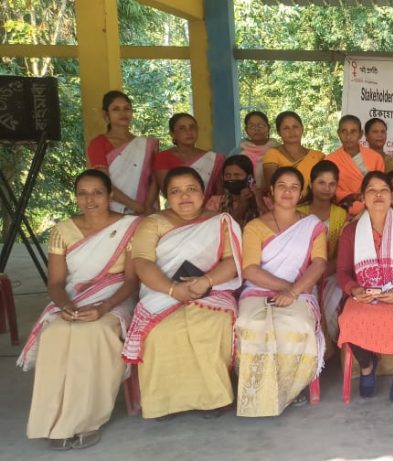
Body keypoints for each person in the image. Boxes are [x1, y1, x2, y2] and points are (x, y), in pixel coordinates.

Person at [19, 170, 141, 450]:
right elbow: (56, 283)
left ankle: (87, 421)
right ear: (76, 197)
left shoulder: (130, 227)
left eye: (97, 192)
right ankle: (49, 421)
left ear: (110, 195)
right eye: (83, 193)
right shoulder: (63, 230)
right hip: (74, 300)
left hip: (115, 299)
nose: (90, 200)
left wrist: (104, 307)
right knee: (55, 335)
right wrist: (67, 307)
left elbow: (132, 280)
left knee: (94, 334)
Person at [123, 166, 243, 419]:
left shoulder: (220, 221)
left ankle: (214, 398)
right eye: (175, 191)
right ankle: (164, 402)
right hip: (161, 292)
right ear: (167, 196)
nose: (184, 196)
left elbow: (232, 262)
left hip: (212, 290)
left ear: (203, 193)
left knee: (210, 325)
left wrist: (206, 281)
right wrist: (172, 289)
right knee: (162, 332)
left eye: (191, 189)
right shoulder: (152, 223)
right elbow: (142, 262)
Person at [236, 167, 326, 417]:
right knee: (249, 325)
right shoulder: (254, 227)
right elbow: (250, 269)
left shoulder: (312, 226)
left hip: (300, 293)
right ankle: (256, 394)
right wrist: (285, 288)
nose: (288, 192)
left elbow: (319, 264)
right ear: (272, 191)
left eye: (294, 187)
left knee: (296, 327)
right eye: (282, 186)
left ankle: (289, 390)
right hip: (258, 291)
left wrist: (294, 292)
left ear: (302, 193)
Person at [337, 172, 393, 401]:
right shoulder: (351, 231)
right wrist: (354, 290)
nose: (378, 195)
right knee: (347, 318)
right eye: (372, 191)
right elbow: (343, 271)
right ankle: (367, 365)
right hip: (364, 295)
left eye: (384, 190)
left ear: (391, 196)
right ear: (363, 198)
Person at [297, 161, 349, 347]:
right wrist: (310, 276)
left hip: (331, 272)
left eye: (332, 184)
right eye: (321, 183)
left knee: (334, 294)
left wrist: (322, 274)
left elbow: (341, 254)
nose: (327, 188)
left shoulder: (341, 214)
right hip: (301, 273)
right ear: (311, 184)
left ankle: (326, 348)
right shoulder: (297, 211)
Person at [85, 90, 158, 215]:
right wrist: (134, 205)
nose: (123, 113)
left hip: (146, 211)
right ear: (106, 115)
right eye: (116, 109)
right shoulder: (98, 143)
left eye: (127, 108)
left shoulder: (147, 144)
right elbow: (103, 183)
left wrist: (147, 206)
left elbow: (155, 179)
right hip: (113, 212)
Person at [154, 113, 225, 201]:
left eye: (192, 127)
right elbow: (167, 191)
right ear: (172, 134)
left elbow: (219, 192)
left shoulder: (212, 158)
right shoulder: (163, 157)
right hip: (178, 209)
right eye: (182, 128)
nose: (189, 132)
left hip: (208, 209)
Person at [325, 115, 385, 212]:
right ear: (338, 133)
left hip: (371, 209)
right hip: (340, 209)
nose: (348, 136)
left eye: (353, 131)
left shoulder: (375, 158)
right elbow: (328, 188)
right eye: (344, 131)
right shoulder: (330, 160)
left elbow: (381, 186)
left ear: (360, 134)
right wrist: (352, 196)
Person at [262, 111, 326, 197]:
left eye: (295, 127)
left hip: (313, 207)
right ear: (279, 132)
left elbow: (324, 187)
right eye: (286, 128)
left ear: (302, 128)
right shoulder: (272, 154)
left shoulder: (318, 157)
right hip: (284, 207)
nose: (291, 131)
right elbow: (273, 189)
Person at [229, 110, 280, 187]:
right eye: (252, 126)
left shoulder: (278, 150)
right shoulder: (239, 152)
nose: (257, 129)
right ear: (246, 130)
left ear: (268, 127)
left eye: (261, 125)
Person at [205, 155, 260, 225]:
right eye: (228, 175)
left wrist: (259, 199)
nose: (232, 179)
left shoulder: (264, 201)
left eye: (237, 175)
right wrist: (242, 205)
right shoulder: (215, 202)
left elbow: (272, 226)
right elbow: (222, 228)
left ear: (249, 178)